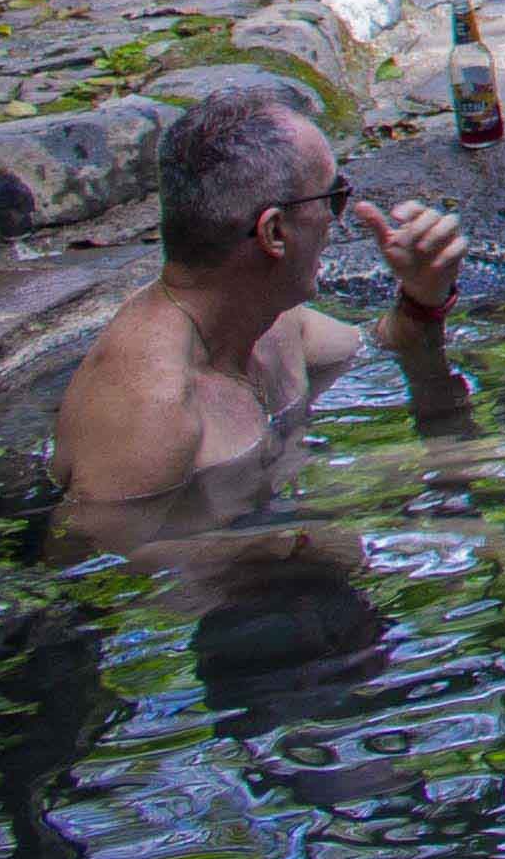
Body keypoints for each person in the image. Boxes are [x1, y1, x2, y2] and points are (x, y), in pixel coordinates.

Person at [54, 84, 471, 561]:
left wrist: (422, 297)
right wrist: (294, 546)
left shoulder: (274, 325)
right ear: (275, 232)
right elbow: (89, 566)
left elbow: (383, 346)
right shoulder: (150, 408)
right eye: (332, 198)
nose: (338, 222)